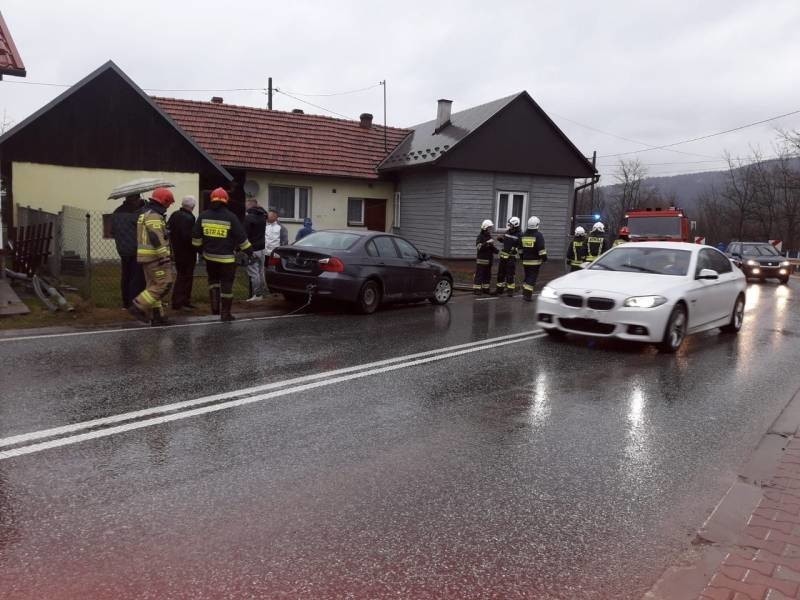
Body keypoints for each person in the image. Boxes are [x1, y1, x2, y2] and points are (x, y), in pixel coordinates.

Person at [192, 187, 253, 321]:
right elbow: (241, 238)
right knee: (226, 285)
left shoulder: (203, 216)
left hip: (209, 258)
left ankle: (215, 310)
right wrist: (250, 252)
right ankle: (225, 314)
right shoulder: (231, 217)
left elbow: (195, 239)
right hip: (226, 260)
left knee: (213, 282)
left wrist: (202, 251)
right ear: (226, 200)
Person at [128, 188, 175, 326]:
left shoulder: (146, 213)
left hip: (147, 258)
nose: (169, 206)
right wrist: (163, 256)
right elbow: (155, 236)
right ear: (164, 201)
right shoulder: (154, 215)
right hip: (155, 258)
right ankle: (138, 306)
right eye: (168, 203)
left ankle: (157, 316)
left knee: (153, 286)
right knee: (164, 284)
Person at [110, 193, 145, 309]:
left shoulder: (116, 212)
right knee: (136, 277)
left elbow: (112, 231)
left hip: (122, 248)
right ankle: (133, 303)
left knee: (126, 275)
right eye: (138, 198)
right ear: (134, 199)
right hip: (135, 249)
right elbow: (142, 226)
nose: (139, 200)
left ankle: (126, 303)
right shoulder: (135, 213)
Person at [167, 196, 198, 311]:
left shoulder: (174, 214)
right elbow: (188, 237)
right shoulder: (189, 218)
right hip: (187, 252)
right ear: (192, 206)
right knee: (186, 277)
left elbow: (168, 229)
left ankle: (180, 301)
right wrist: (196, 247)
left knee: (181, 275)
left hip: (177, 250)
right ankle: (181, 301)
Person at [244, 197, 267, 301]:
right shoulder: (263, 216)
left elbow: (245, 234)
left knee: (253, 273)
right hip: (262, 248)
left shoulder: (249, 218)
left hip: (252, 248)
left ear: (250, 205)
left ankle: (256, 295)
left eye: (246, 204)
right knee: (261, 271)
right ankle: (262, 293)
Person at [492, 216, 522, 296]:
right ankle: (499, 290)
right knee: (500, 274)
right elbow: (505, 241)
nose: (509, 226)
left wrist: (516, 249)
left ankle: (510, 291)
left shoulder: (520, 234)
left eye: (511, 224)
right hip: (503, 257)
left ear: (515, 224)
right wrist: (500, 239)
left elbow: (521, 246)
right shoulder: (507, 232)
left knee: (510, 274)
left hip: (511, 258)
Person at [520, 216, 547, 302]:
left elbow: (520, 248)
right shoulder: (538, 235)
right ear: (537, 225)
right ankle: (527, 296)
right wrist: (544, 258)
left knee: (527, 276)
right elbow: (541, 248)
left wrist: (522, 257)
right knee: (532, 277)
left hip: (525, 260)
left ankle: (524, 292)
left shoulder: (524, 234)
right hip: (535, 261)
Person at [473, 219, 498, 295]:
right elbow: (479, 247)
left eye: (491, 228)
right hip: (481, 260)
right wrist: (487, 243)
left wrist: (497, 251)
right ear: (485, 228)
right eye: (489, 228)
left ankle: (486, 289)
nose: (490, 229)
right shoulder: (480, 237)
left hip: (489, 261)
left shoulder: (489, 236)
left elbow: (491, 247)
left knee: (487, 275)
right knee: (479, 275)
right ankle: (477, 289)